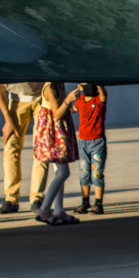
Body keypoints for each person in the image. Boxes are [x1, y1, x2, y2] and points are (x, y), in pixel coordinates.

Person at [0, 81, 48, 214]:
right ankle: (11, 199)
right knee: (10, 146)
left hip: (43, 99)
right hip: (17, 100)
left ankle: (37, 198)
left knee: (41, 148)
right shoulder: (2, 61)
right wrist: (8, 119)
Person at [33, 81, 80, 225]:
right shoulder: (50, 87)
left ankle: (58, 210)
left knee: (61, 171)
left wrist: (75, 106)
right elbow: (57, 114)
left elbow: (64, 110)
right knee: (63, 173)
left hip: (60, 130)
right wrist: (68, 100)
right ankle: (44, 210)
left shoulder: (59, 85)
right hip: (53, 132)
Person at [71, 83, 108, 214]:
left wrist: (99, 84)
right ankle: (85, 202)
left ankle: (98, 204)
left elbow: (104, 96)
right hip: (83, 141)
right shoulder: (80, 101)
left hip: (97, 141)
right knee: (84, 173)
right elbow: (71, 110)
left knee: (97, 173)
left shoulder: (98, 100)